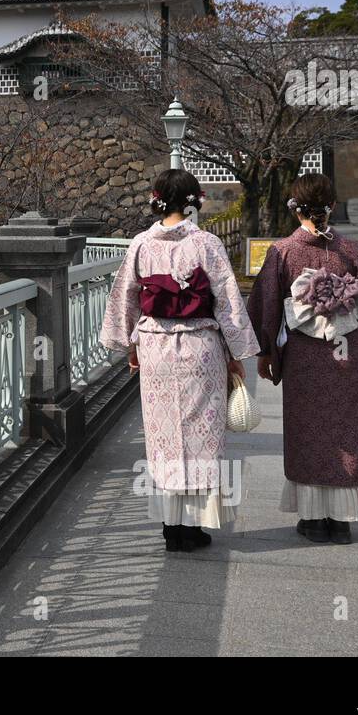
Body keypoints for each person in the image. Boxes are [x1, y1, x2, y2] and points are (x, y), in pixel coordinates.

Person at [99, 168, 260, 552]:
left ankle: (171, 524)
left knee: (163, 435)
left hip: (156, 345)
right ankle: (195, 523)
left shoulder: (140, 243)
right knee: (203, 435)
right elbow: (226, 299)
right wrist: (237, 353)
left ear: (156, 198)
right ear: (194, 201)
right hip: (200, 344)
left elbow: (126, 298)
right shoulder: (207, 243)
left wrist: (130, 346)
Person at [247, 173, 358, 545]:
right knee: (347, 426)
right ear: (332, 205)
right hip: (346, 352)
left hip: (304, 358)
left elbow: (264, 308)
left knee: (307, 429)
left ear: (295, 208)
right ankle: (341, 520)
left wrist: (266, 352)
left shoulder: (283, 252)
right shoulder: (352, 250)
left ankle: (312, 520)